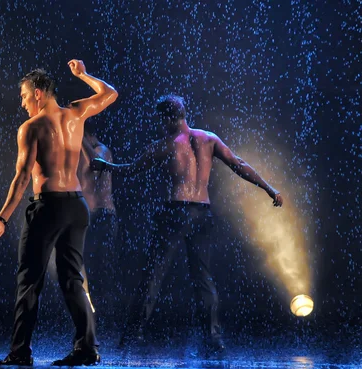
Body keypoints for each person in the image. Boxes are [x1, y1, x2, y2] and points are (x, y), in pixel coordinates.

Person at [91, 94, 283, 354]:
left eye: (161, 120)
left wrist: (105, 165)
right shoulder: (208, 138)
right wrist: (270, 189)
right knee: (203, 278)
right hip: (202, 212)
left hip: (176, 212)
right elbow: (239, 164)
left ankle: (132, 335)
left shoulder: (166, 144)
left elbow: (132, 169)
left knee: (153, 274)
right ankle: (213, 339)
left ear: (168, 118)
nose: (160, 125)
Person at [0, 60, 118, 366]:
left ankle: (20, 352)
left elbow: (21, 177)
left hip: (47, 207)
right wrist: (84, 76)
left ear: (40, 93)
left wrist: (3, 217)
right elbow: (109, 93)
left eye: (25, 96)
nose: (22, 103)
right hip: (76, 206)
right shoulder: (75, 113)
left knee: (30, 279)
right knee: (73, 279)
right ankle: (87, 348)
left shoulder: (31, 127)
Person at [77, 128, 118, 312]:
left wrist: (79, 135)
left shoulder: (102, 150)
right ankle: (93, 313)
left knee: (103, 267)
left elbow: (96, 163)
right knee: (89, 265)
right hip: (90, 215)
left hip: (104, 215)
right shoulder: (82, 153)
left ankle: (108, 314)